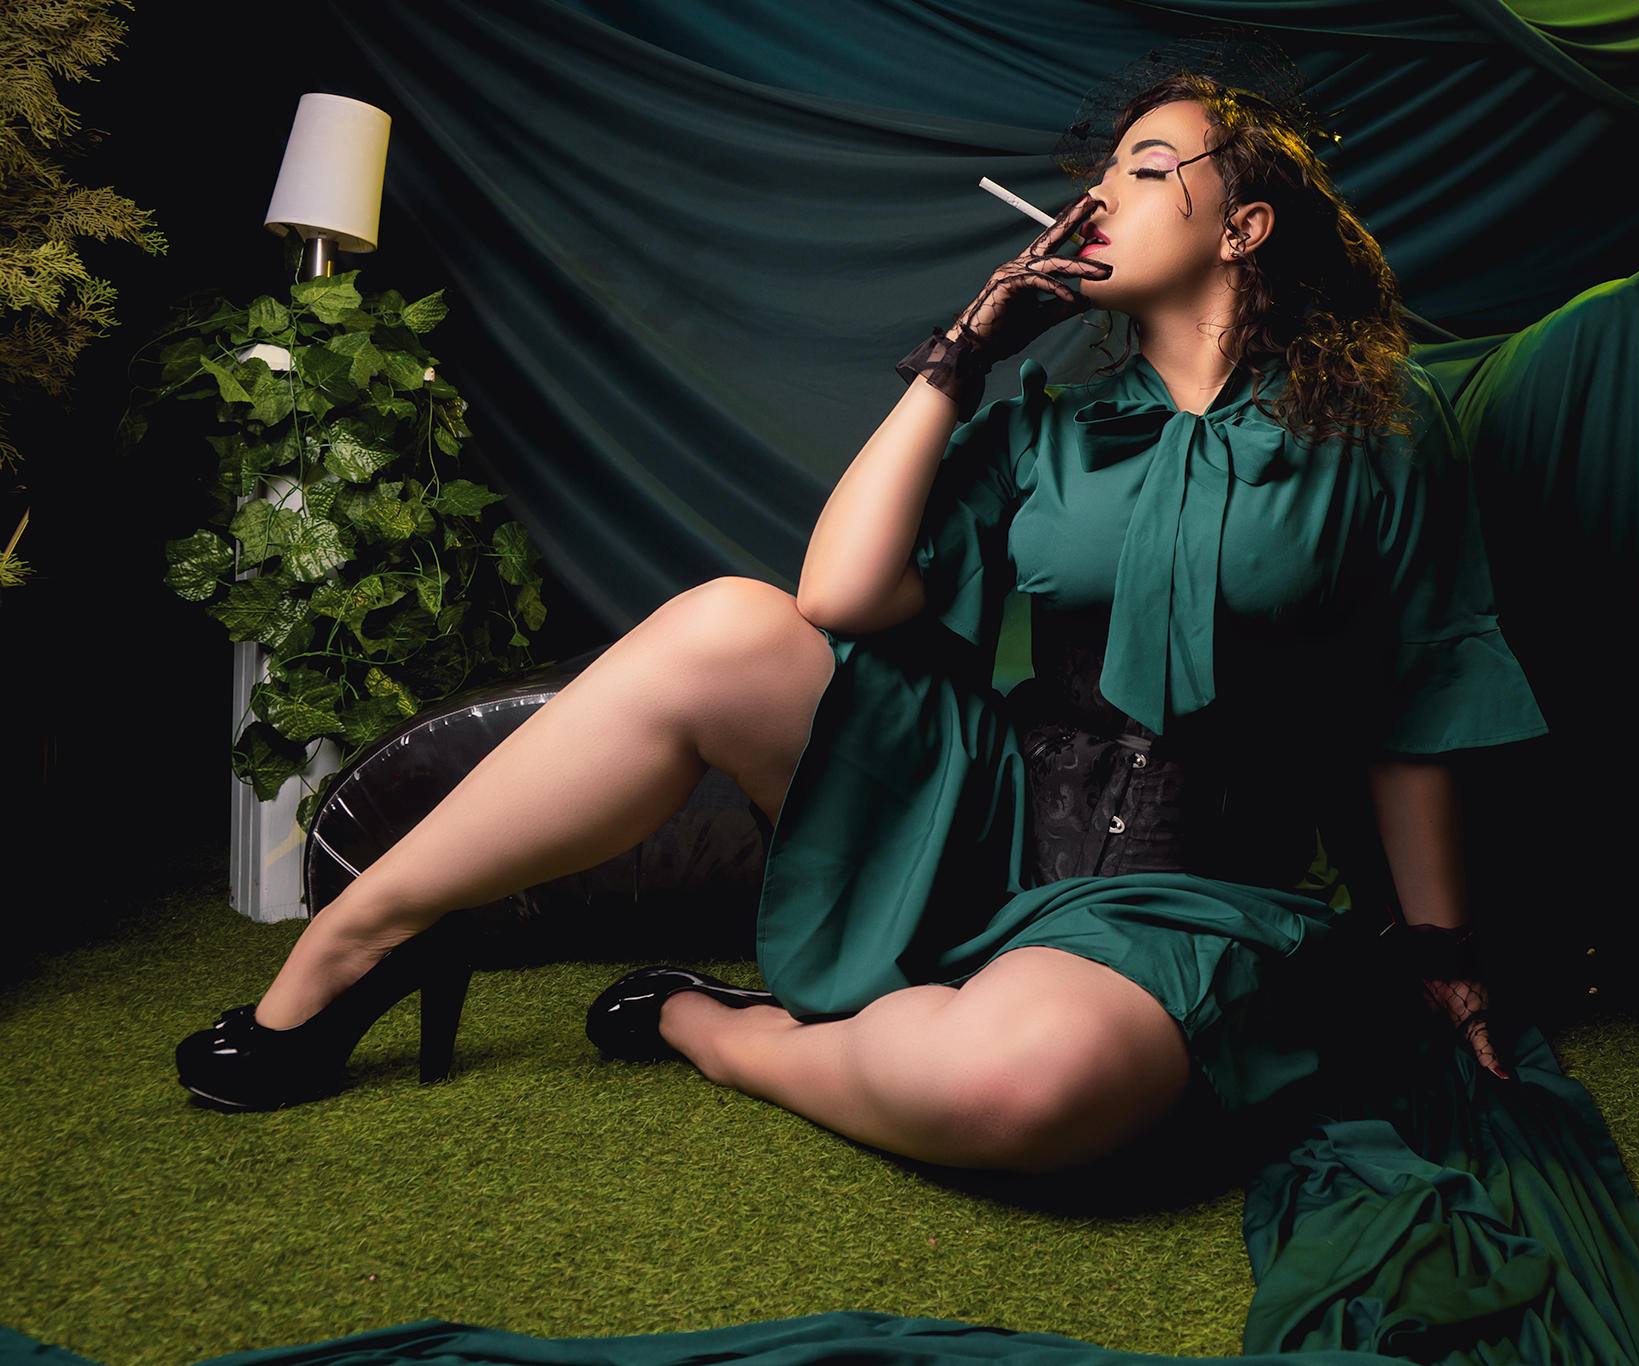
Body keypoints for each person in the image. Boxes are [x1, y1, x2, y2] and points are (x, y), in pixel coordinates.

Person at [177, 72, 1549, 1174]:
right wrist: (964, 354)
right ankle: (361, 935)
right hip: (989, 822)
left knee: (1029, 1081)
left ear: (1242, 227)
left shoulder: (1379, 422)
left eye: (1144, 168)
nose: (1094, 199)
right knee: (729, 624)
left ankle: (719, 1028)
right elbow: (837, 596)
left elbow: (1417, 694)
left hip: (1197, 891)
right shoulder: (1051, 432)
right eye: (1100, 172)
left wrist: (1444, 957)